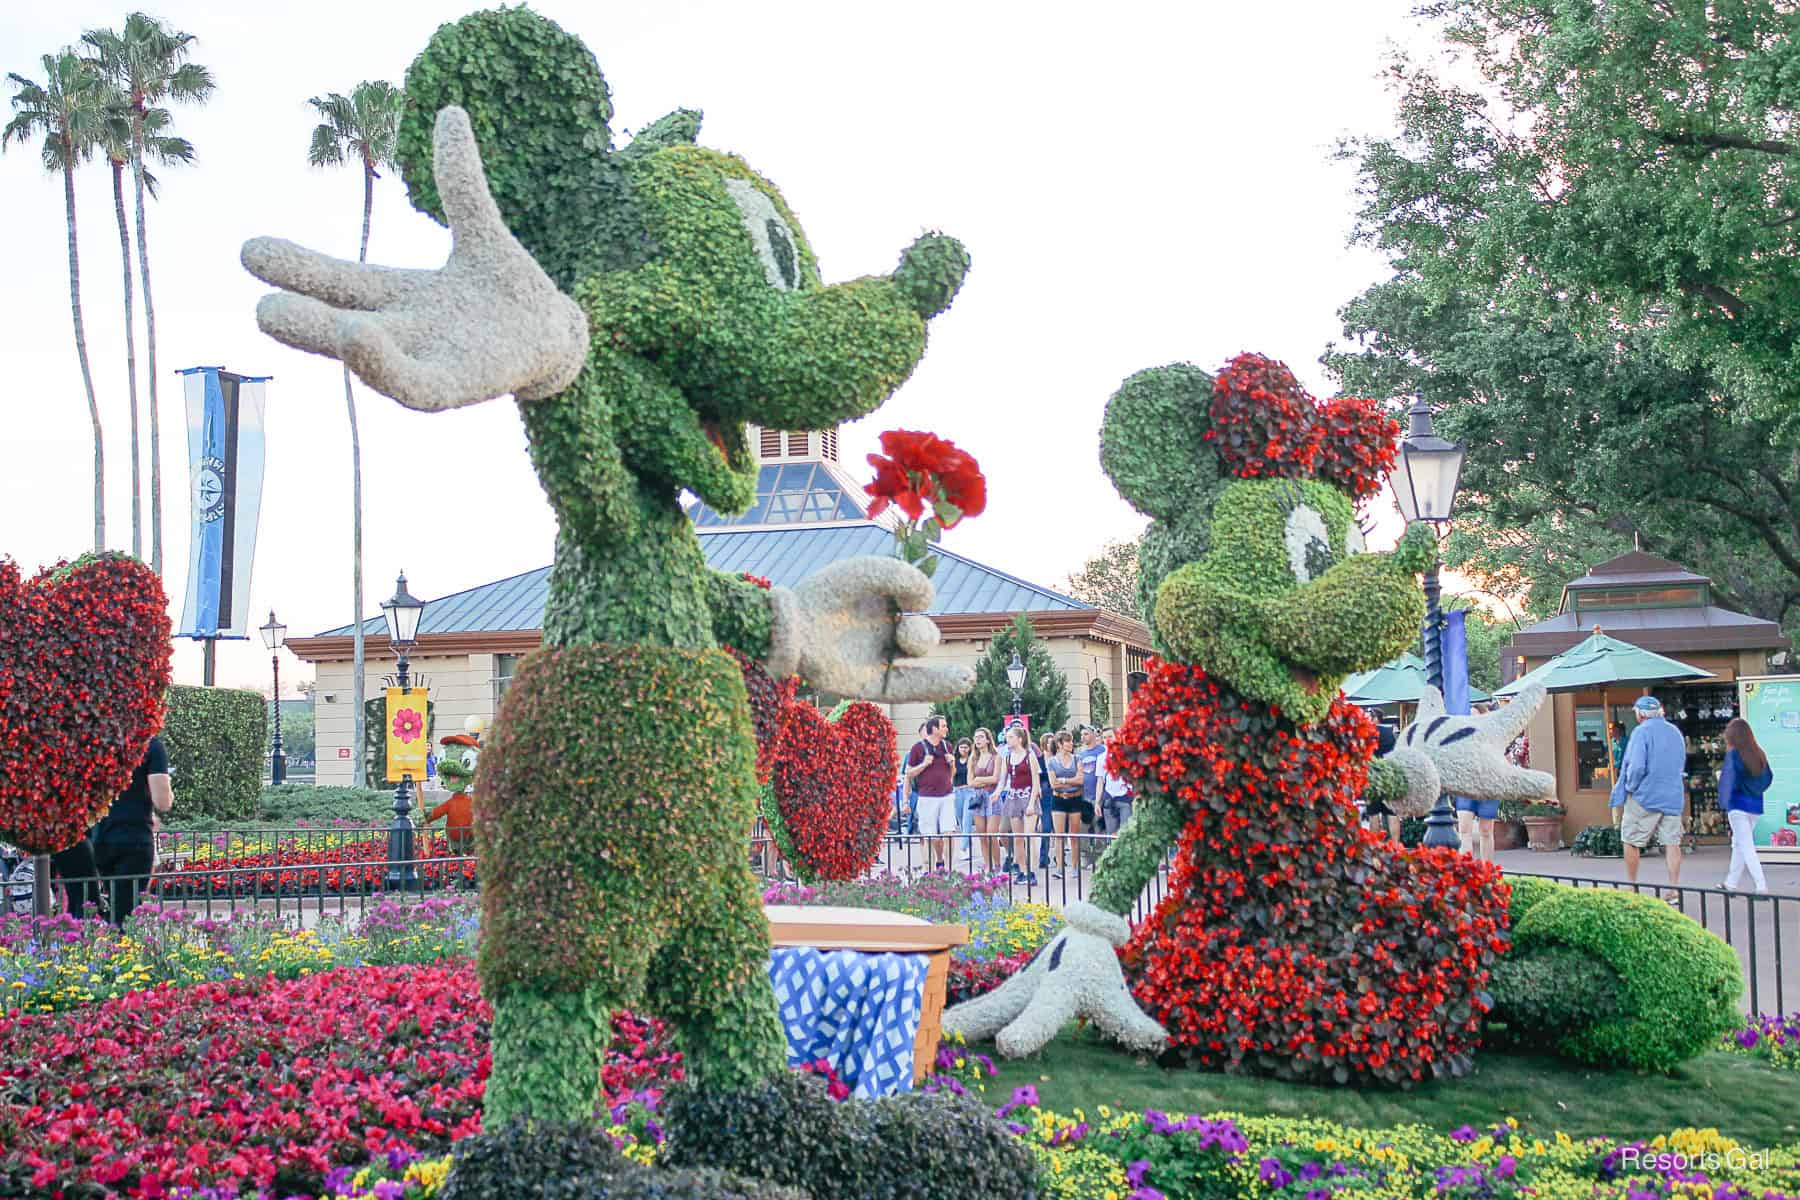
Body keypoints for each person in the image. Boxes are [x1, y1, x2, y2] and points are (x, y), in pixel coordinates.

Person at [1610, 695, 1687, 895]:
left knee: (1630, 839)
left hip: (1645, 796)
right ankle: (1674, 889)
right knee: (1672, 843)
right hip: (1672, 794)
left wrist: (1631, 787)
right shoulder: (1675, 732)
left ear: (1640, 714)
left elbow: (1636, 767)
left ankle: (1633, 886)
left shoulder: (1641, 732)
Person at [92, 735, 172, 926]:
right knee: (127, 915)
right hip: (134, 838)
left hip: (101, 836)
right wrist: (169, 791)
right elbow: (162, 802)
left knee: (113, 907)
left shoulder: (98, 742)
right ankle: (120, 948)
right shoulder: (151, 745)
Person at [1720, 716, 1774, 893]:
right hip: (1755, 806)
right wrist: (1754, 790)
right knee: (1739, 844)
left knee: (1746, 845)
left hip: (1737, 806)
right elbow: (1768, 778)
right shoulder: (1759, 753)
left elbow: (1730, 782)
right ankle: (1731, 883)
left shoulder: (1733, 755)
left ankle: (1761, 886)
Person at [905, 714, 957, 872]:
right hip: (927, 798)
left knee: (949, 833)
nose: (946, 729)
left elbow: (951, 774)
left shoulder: (947, 746)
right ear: (934, 729)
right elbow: (909, 773)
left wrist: (952, 763)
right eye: (943, 726)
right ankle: (929, 871)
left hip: (946, 796)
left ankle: (949, 869)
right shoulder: (918, 748)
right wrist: (924, 764)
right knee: (929, 835)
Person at [992, 722, 1041, 882]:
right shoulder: (1007, 757)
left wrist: (1032, 803)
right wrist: (997, 793)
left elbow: (1036, 782)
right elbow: (1003, 780)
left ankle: (1031, 871)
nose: (1008, 739)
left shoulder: (1029, 756)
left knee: (1029, 835)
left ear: (1019, 739)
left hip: (1027, 796)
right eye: (1007, 737)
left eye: (1011, 737)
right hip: (1013, 797)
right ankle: (1022, 869)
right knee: (1018, 837)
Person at [1045, 731, 1084, 877]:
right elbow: (1053, 784)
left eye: (1071, 741)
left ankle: (1075, 867)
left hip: (1075, 798)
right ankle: (1059, 868)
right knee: (1059, 835)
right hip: (1059, 798)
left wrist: (1063, 780)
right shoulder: (1052, 761)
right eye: (1068, 741)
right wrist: (1069, 780)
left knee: (1074, 835)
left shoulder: (1077, 759)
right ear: (1060, 744)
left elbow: (1080, 780)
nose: (1071, 744)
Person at [966, 727, 1003, 875]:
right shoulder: (973, 758)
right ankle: (987, 865)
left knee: (991, 834)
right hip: (978, 798)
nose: (978, 740)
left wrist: (979, 779)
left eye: (981, 737)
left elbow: (995, 778)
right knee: (982, 834)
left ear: (988, 739)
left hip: (992, 797)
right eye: (976, 737)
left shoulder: (996, 757)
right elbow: (969, 782)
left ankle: (998, 865)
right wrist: (979, 782)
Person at [1099, 727, 1134, 837]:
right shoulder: (1101, 757)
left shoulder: (1126, 753)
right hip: (1109, 797)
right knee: (1110, 836)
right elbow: (1100, 781)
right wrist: (1097, 802)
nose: (1107, 740)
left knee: (1126, 835)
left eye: (1110, 736)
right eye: (1104, 737)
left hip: (1125, 797)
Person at [1034, 732, 1057, 872]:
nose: (1050, 744)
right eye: (1048, 742)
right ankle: (1043, 857)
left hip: (1059, 793)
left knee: (1061, 829)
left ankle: (1059, 856)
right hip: (1045, 795)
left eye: (1052, 741)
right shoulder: (1039, 760)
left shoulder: (1058, 759)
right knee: (1046, 826)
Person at [951, 736, 975, 866]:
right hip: (957, 791)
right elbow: (951, 776)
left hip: (969, 791)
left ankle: (964, 848)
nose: (964, 750)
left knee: (967, 819)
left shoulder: (972, 759)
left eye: (966, 747)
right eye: (961, 747)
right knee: (960, 820)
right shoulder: (954, 760)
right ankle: (968, 843)